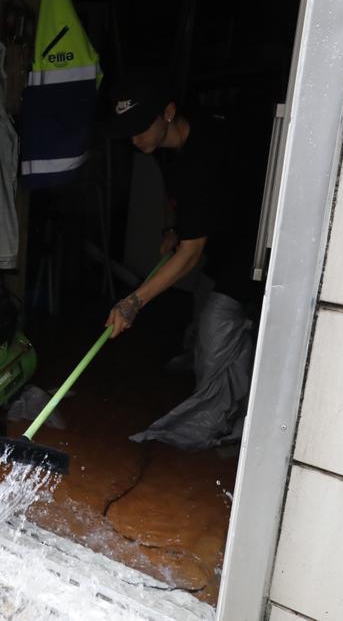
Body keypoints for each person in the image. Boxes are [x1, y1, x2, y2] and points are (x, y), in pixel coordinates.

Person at [102, 75, 264, 450]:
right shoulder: (167, 149)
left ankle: (224, 420)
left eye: (140, 127)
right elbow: (177, 200)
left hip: (253, 247)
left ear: (169, 113)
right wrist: (173, 227)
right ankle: (211, 380)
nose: (134, 138)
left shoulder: (209, 151)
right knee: (204, 305)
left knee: (217, 320)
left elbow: (189, 255)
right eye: (128, 131)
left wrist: (133, 302)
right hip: (223, 244)